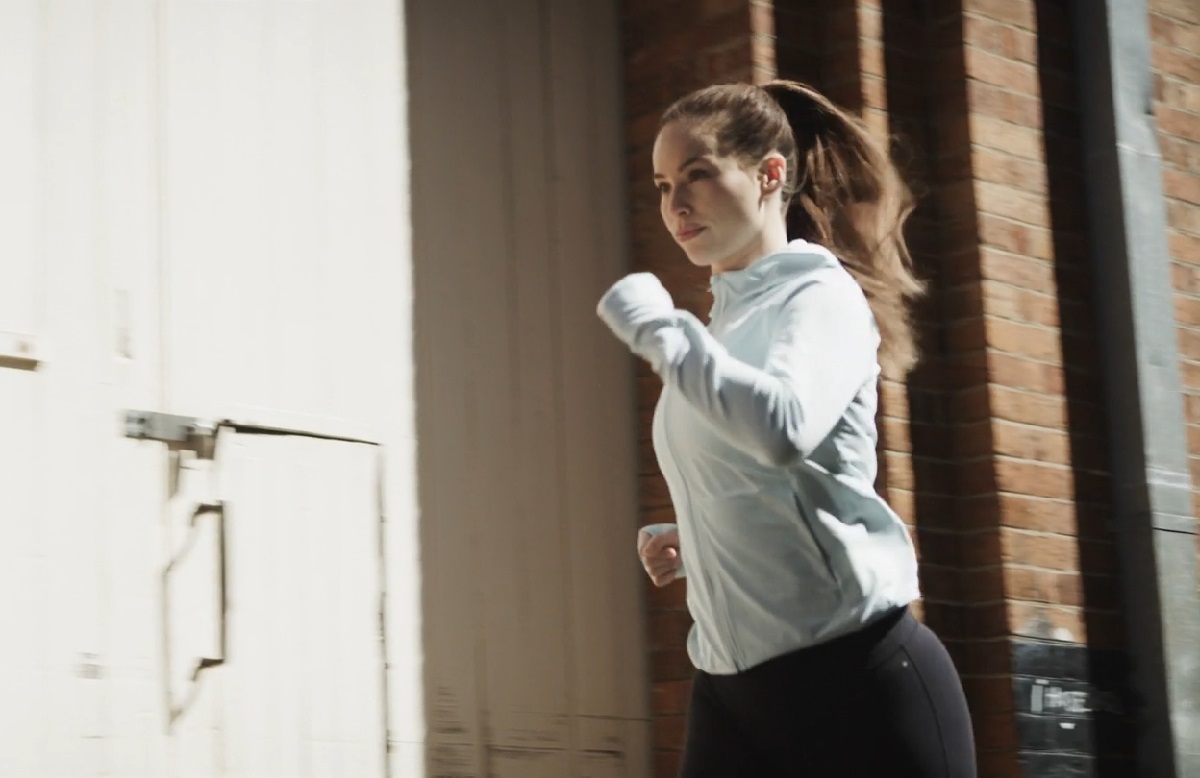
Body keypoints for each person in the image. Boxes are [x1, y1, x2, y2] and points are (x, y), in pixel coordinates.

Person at [596, 81, 977, 777]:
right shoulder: (724, 323)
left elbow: (782, 428)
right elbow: (769, 477)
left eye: (698, 176)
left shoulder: (820, 295)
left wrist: (658, 328)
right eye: (661, 185)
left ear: (771, 174)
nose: (674, 205)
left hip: (854, 680)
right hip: (732, 691)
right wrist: (701, 535)